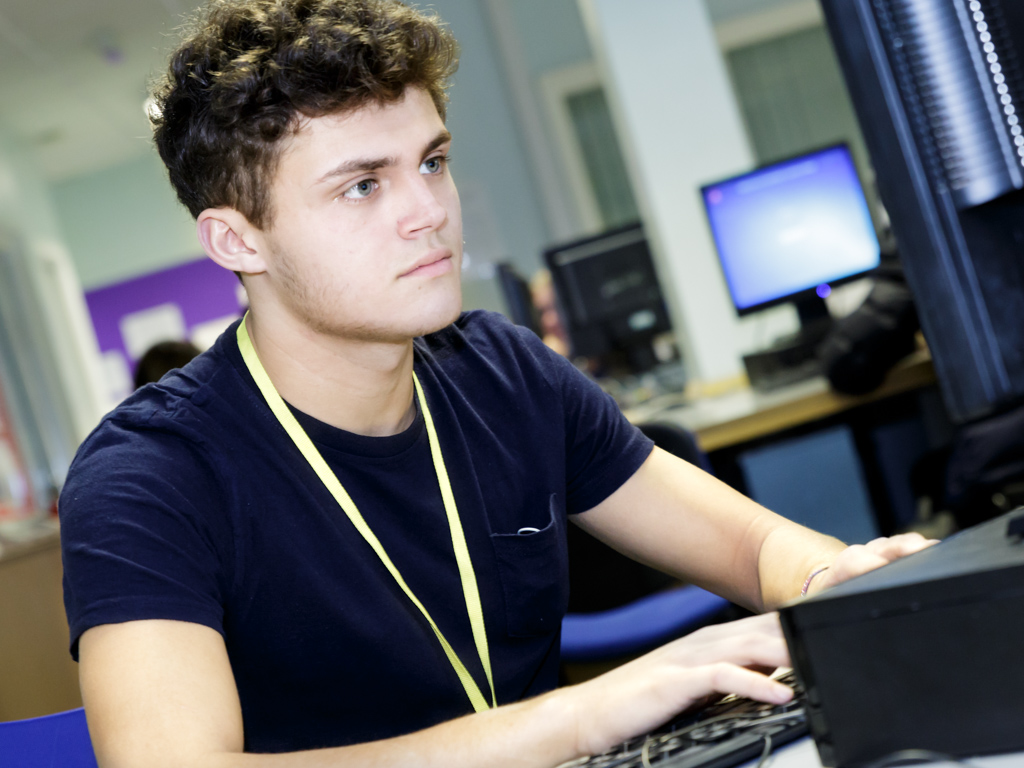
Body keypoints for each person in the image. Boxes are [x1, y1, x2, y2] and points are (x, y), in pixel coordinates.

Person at [58, 1, 934, 766]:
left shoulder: (500, 371)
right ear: (237, 242)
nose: (428, 211)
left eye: (430, 162)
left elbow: (750, 549)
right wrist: (582, 717)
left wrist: (838, 584)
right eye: (363, 185)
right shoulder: (150, 476)